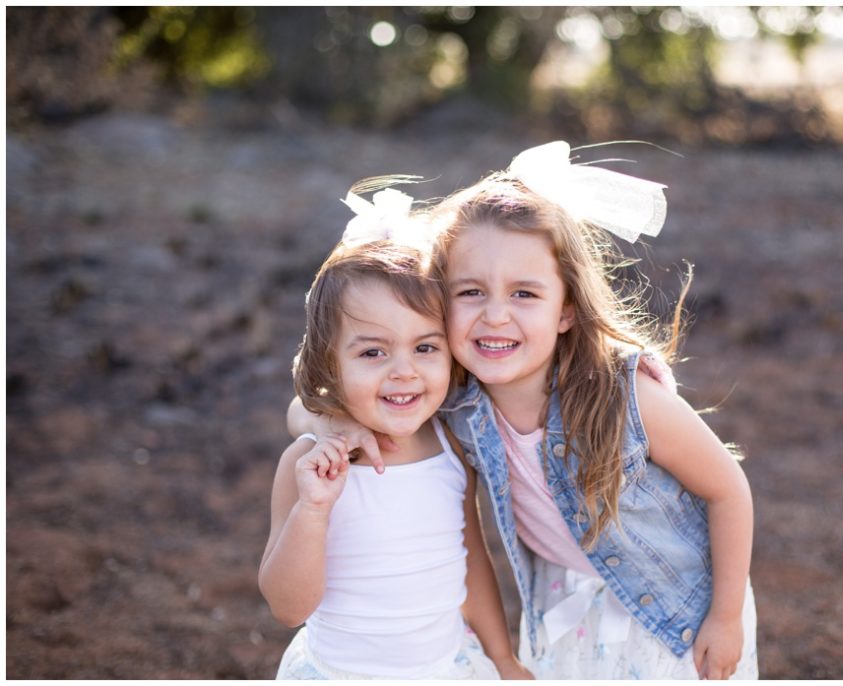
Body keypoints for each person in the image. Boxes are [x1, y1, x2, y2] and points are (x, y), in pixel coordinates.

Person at [289, 143, 758, 679]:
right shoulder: (454, 394)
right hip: (563, 597)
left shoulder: (626, 396)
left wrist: (725, 618)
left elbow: (728, 490)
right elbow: (306, 406)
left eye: (524, 294)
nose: (495, 316)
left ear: (566, 309)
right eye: (470, 291)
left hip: (676, 606)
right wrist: (335, 421)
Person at [261, 188, 532, 680]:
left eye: (425, 348)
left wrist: (502, 657)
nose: (404, 372)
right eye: (372, 353)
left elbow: (469, 564)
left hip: (445, 668)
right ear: (330, 363)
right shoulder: (310, 466)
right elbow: (287, 608)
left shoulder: (452, 448)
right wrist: (313, 510)